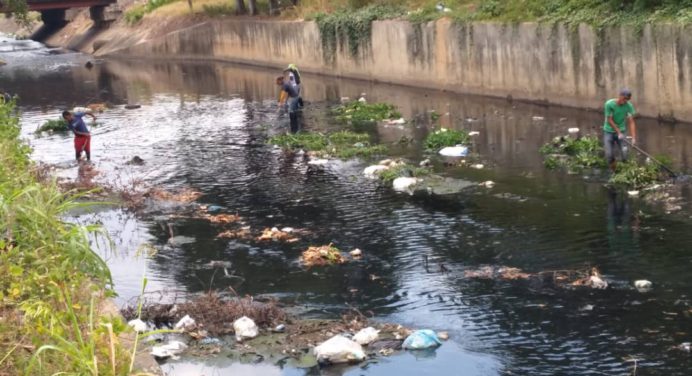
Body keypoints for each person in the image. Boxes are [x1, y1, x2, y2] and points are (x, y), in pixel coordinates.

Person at [603, 88, 637, 172]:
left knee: (625, 153)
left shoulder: (629, 106)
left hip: (622, 131)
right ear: (620, 96)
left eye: (627, 99)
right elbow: (609, 120)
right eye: (624, 98)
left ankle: (625, 171)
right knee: (609, 155)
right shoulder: (609, 104)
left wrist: (633, 138)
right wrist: (618, 132)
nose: (625, 101)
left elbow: (631, 122)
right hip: (609, 131)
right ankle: (613, 170)